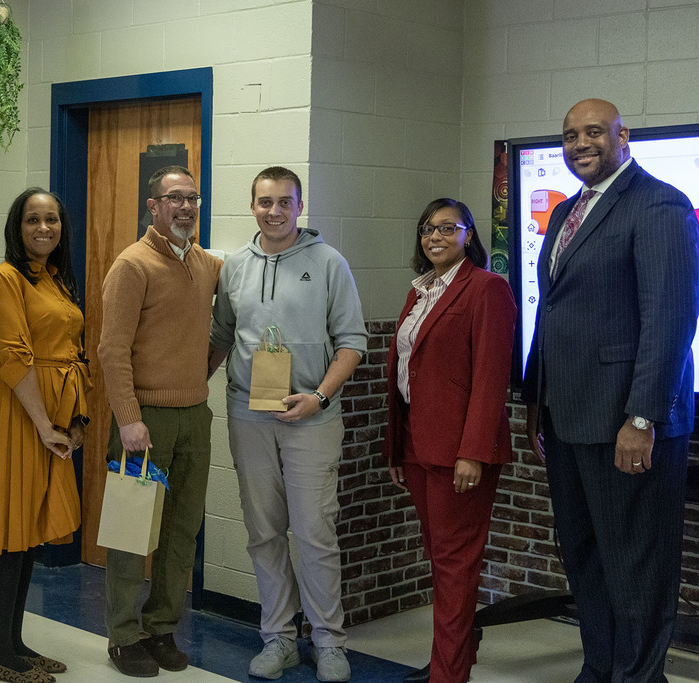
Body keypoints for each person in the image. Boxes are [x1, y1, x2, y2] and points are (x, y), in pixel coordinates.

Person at [523, 99, 699, 681]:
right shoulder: (566, 212)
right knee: (585, 557)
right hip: (567, 419)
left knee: (638, 567)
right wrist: (535, 404)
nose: (580, 143)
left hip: (626, 423)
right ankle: (600, 669)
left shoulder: (659, 204)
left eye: (594, 132)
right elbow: (554, 313)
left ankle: (638, 678)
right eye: (569, 135)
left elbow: (670, 319)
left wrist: (642, 418)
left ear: (624, 136)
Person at [209, 166, 365, 683]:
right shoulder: (234, 266)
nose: (274, 211)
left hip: (311, 418)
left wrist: (318, 397)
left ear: (300, 206)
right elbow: (221, 337)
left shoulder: (328, 263)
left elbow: (352, 344)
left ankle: (328, 642)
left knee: (315, 533)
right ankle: (278, 638)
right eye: (264, 201)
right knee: (263, 531)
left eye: (284, 202)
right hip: (248, 415)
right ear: (251, 205)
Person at [0, 188, 89, 683]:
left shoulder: (57, 279)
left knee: (31, 529)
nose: (43, 228)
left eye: (51, 220)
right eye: (32, 220)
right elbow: (14, 357)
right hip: (18, 411)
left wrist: (76, 420)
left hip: (53, 415)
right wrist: (43, 423)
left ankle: (14, 642)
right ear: (17, 227)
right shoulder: (3, 278)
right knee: (12, 530)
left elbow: (73, 354)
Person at [383, 199, 516, 683]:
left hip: (461, 451)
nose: (434, 236)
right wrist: (396, 447)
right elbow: (406, 371)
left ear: (468, 233)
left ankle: (449, 675)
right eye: (426, 229)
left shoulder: (487, 288)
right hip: (419, 444)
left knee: (456, 566)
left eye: (446, 228)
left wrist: (473, 452)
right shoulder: (420, 292)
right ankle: (453, 658)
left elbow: (490, 378)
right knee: (442, 561)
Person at [97, 165, 222, 678]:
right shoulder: (132, 265)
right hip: (144, 420)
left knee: (180, 531)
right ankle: (124, 636)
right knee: (132, 532)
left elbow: (221, 332)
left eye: (192, 198)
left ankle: (161, 627)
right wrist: (129, 418)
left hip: (195, 414)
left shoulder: (207, 264)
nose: (186, 207)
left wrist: (199, 377)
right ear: (154, 206)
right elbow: (112, 349)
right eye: (175, 199)